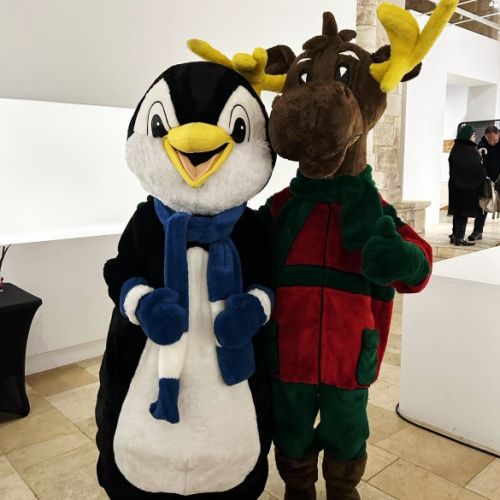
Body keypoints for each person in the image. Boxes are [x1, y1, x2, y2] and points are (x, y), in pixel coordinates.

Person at [448, 125, 487, 246]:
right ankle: (460, 238)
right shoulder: (470, 151)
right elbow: (478, 170)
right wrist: (479, 157)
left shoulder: (456, 148)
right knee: (464, 213)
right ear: (468, 136)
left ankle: (455, 236)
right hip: (467, 188)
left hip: (455, 186)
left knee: (457, 212)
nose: (475, 137)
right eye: (473, 135)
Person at [473, 125, 500, 238]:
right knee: (482, 205)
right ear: (486, 136)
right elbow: (479, 148)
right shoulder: (483, 143)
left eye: (495, 140)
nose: (492, 142)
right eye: (490, 140)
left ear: (499, 135)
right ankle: (477, 231)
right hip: (487, 179)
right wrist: (478, 151)